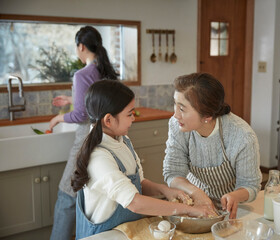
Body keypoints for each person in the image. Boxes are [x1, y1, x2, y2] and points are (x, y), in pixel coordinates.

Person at [71, 80, 215, 239]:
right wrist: (188, 210)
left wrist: (165, 190)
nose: (133, 118)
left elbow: (139, 183)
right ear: (109, 120)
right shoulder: (99, 158)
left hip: (126, 230)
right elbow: (134, 202)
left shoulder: (123, 140)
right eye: (129, 114)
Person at [49, 26, 119, 240]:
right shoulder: (105, 71)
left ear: (81, 47)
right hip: (107, 138)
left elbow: (80, 115)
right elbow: (97, 103)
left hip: (85, 140)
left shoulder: (82, 74)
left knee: (67, 196)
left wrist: (57, 118)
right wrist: (71, 99)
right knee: (91, 196)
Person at [163, 72, 262, 219]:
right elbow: (172, 172)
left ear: (207, 116)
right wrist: (196, 193)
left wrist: (235, 195)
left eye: (182, 109)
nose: (175, 114)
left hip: (231, 210)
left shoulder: (242, 136)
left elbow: (250, 185)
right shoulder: (177, 125)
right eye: (175, 104)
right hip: (194, 203)